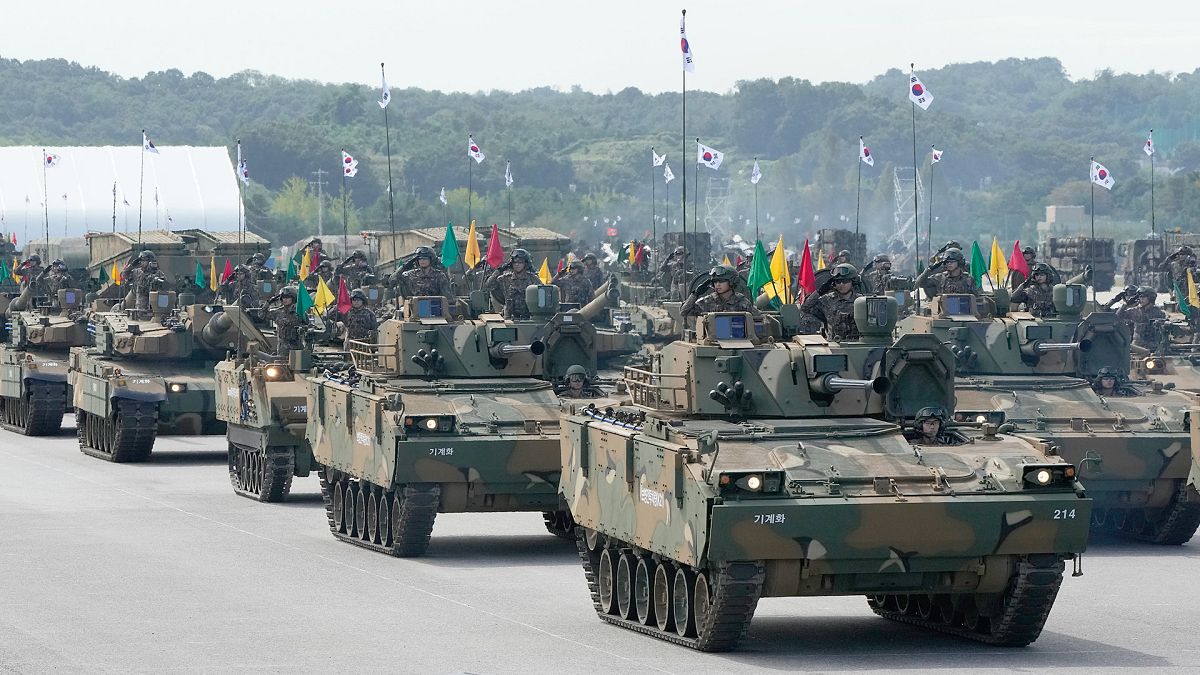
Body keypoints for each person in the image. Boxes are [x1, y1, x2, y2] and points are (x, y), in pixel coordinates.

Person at [800, 263, 861, 341]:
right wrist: (819, 292)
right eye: (838, 281)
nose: (841, 284)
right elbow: (805, 308)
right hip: (834, 346)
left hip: (857, 346)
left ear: (853, 282)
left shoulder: (861, 301)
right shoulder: (827, 300)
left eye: (845, 281)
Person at [680, 265, 762, 321]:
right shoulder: (707, 301)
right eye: (715, 281)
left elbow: (759, 318)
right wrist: (695, 294)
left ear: (732, 281)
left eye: (722, 281)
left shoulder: (742, 302)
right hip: (711, 342)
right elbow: (684, 312)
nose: (717, 284)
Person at [485, 249, 540, 319]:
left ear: (525, 263)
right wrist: (499, 270)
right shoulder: (504, 279)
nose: (517, 264)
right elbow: (488, 285)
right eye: (515, 262)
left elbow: (541, 294)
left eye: (520, 262)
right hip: (509, 319)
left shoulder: (533, 279)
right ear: (511, 264)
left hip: (529, 319)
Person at [1117, 286, 1166, 351]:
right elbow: (1118, 316)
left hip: (1153, 347)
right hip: (1137, 347)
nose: (1141, 299)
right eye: (1140, 297)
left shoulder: (1158, 313)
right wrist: (1125, 304)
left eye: (1143, 297)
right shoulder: (1134, 311)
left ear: (1151, 298)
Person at [269, 287, 305, 354]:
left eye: (288, 297)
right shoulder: (277, 312)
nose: (285, 299)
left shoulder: (299, 312)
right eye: (283, 297)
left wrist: (303, 329)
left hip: (297, 348)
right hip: (282, 349)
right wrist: (269, 302)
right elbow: (261, 314)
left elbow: (308, 326)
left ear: (293, 298)